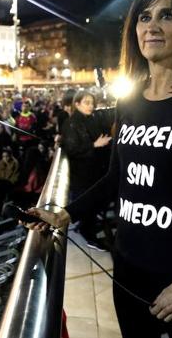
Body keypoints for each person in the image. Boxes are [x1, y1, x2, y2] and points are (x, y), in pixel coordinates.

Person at [26, 0, 172, 338]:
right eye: (144, 16)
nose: (152, 26)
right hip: (128, 270)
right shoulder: (130, 103)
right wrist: (64, 215)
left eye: (167, 15)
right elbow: (117, 177)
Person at [61, 90, 112, 251]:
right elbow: (72, 148)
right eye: (86, 103)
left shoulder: (90, 119)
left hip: (94, 170)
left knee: (96, 201)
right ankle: (88, 235)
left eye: (92, 103)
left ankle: (88, 225)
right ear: (77, 104)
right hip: (83, 173)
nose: (90, 106)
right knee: (88, 204)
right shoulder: (71, 123)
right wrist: (94, 145)